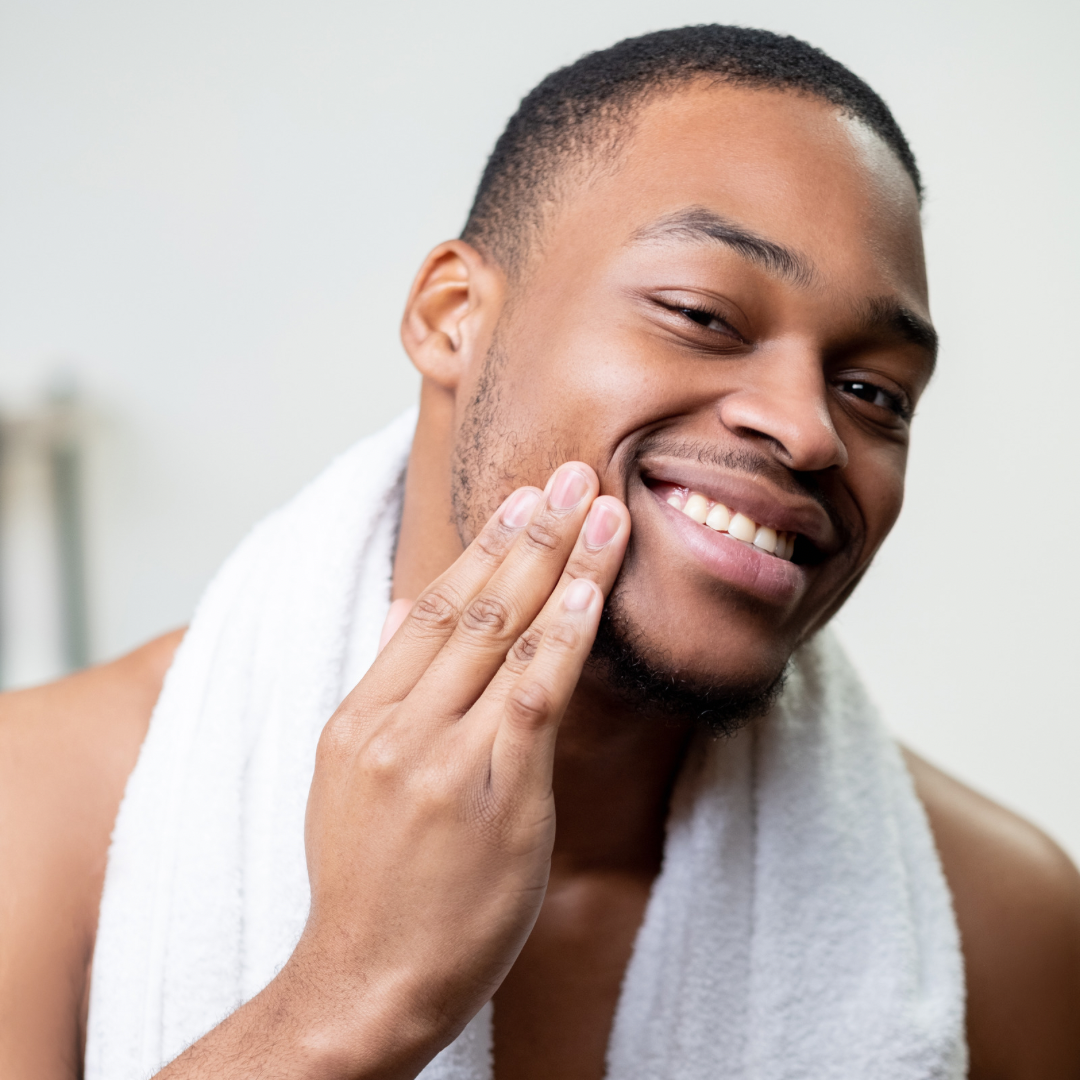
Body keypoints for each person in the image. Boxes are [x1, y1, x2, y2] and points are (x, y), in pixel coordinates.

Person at [2, 24, 1078, 1080]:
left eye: (874, 392)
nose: (808, 429)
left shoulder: (1008, 930)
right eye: (703, 314)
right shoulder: (36, 815)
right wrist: (344, 1005)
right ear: (452, 317)